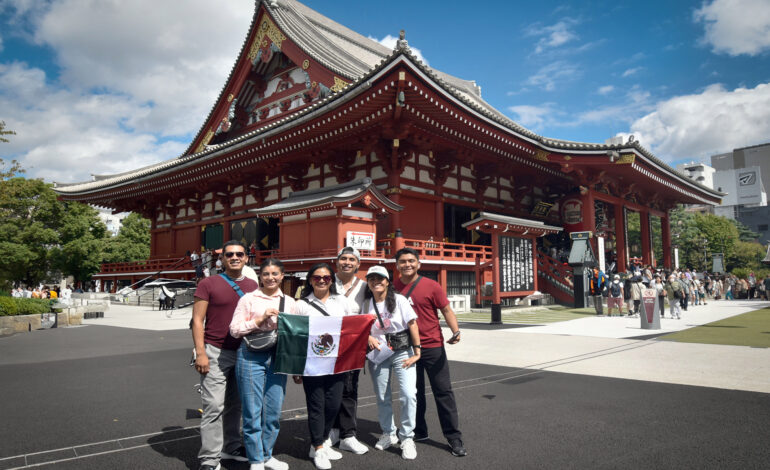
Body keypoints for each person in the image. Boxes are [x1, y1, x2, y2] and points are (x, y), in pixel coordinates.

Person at [392, 247, 467, 457]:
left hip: (432, 345)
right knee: (413, 394)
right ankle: (418, 431)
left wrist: (456, 331)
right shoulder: (392, 287)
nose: (407, 265)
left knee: (443, 392)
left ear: (418, 264)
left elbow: (446, 310)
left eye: (411, 261)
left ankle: (454, 437)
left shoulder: (431, 286)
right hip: (406, 347)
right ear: (397, 265)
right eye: (403, 262)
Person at [192, 241, 259, 470]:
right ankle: (210, 459)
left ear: (246, 258)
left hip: (245, 351)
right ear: (221, 259)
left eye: (239, 254)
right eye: (229, 254)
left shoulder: (253, 285)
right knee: (213, 406)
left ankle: (231, 446)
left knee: (236, 404)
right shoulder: (208, 283)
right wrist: (200, 352)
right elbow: (197, 321)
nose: (234, 257)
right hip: (215, 350)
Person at [229, 258, 296, 470]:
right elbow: (235, 329)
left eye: (275, 274)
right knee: (252, 410)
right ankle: (255, 459)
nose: (270, 278)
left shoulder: (290, 302)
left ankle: (267, 454)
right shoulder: (249, 299)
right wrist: (259, 320)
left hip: (279, 356)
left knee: (273, 411)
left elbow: (296, 334)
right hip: (251, 354)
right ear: (260, 276)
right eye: (266, 274)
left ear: (282, 276)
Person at [294, 263, 353, 470]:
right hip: (312, 364)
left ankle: (322, 440)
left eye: (326, 278)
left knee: (333, 404)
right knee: (316, 405)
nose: (321, 280)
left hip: (337, 363)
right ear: (310, 280)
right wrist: (296, 367)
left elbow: (353, 327)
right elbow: (295, 337)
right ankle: (318, 447)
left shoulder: (342, 301)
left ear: (331, 281)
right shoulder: (301, 305)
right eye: (317, 277)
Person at [364, 265, 421, 460]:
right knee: (382, 395)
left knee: (408, 394)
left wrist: (417, 351)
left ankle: (407, 437)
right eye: (371, 278)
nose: (376, 282)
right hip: (378, 353)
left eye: (380, 278)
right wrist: (367, 338)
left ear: (388, 281)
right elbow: (362, 326)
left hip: (402, 351)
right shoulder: (366, 303)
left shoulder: (399, 300)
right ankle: (388, 432)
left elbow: (412, 323)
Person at [328, 247, 369, 455]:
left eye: (352, 259)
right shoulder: (325, 280)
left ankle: (348, 434)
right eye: (343, 258)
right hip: (327, 343)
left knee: (350, 388)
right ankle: (331, 431)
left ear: (358, 264)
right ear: (336, 262)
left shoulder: (365, 286)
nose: (347, 262)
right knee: (328, 388)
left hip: (354, 345)